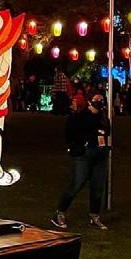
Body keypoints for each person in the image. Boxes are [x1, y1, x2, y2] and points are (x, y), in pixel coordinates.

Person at [50, 91, 110, 231]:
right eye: (97, 100)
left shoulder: (103, 118)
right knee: (76, 184)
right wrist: (76, 147)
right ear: (89, 101)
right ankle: (59, 212)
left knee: (98, 187)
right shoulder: (79, 117)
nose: (100, 103)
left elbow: (105, 133)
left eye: (101, 100)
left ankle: (94, 215)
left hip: (100, 155)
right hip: (83, 155)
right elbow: (69, 134)